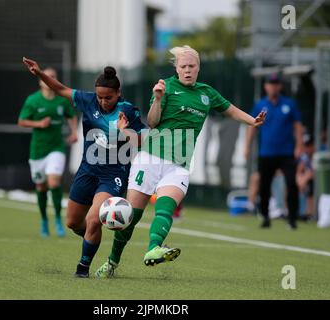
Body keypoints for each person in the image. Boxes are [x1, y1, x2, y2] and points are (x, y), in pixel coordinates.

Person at [95, 45, 266, 277]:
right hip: (151, 158)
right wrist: (157, 99)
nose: (187, 70)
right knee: (131, 217)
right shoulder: (165, 87)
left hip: (180, 164)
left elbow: (230, 110)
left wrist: (252, 121)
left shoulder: (207, 93)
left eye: (191, 66)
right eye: (183, 66)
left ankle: (153, 248)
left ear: (198, 68)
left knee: (166, 207)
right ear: (176, 68)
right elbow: (153, 123)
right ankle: (112, 262)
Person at [22, 57, 146, 278]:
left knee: (92, 219)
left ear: (118, 93)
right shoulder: (88, 101)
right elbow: (61, 89)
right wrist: (40, 74)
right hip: (87, 170)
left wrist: (124, 130)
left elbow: (141, 141)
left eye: (108, 97)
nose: (103, 101)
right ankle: (92, 234)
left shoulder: (128, 111)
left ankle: (82, 268)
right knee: (73, 222)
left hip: (113, 174)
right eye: (100, 97)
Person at [18, 67, 78, 238]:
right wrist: (38, 124)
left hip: (56, 147)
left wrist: (74, 132)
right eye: (47, 76)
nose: (50, 78)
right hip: (37, 150)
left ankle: (58, 220)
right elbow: (21, 121)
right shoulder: (33, 100)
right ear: (41, 81)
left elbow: (71, 116)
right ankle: (44, 219)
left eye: (53, 76)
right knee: (41, 186)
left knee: (54, 182)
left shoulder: (61, 100)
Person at [245, 73, 303, 230]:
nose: (273, 87)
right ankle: (265, 216)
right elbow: (252, 126)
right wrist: (247, 147)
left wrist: (299, 146)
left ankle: (292, 218)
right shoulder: (260, 105)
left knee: (291, 183)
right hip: (266, 153)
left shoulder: (289, 104)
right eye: (270, 84)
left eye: (276, 84)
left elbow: (298, 126)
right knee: (264, 185)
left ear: (280, 86)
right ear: (266, 86)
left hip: (286, 153)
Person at [296, 133, 315, 220]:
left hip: (317, 180)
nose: (307, 149)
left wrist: (305, 178)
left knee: (308, 180)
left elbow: (315, 172)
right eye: (305, 146)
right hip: (306, 181)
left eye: (309, 146)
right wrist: (300, 179)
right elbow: (299, 170)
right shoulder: (304, 156)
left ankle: (309, 213)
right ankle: (301, 212)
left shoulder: (319, 153)